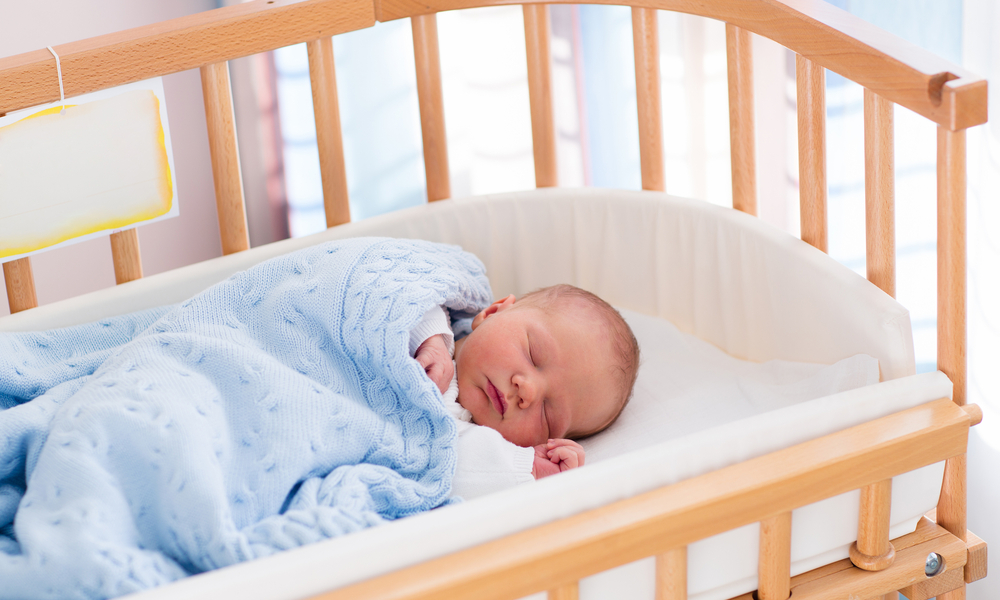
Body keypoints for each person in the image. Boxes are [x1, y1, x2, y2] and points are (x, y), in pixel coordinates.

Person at [409, 284, 640, 498]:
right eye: (533, 354)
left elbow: (444, 473)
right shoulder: (433, 317)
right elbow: (401, 289)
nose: (527, 392)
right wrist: (431, 338)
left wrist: (528, 466)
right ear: (493, 312)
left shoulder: (474, 447)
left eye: (548, 415)